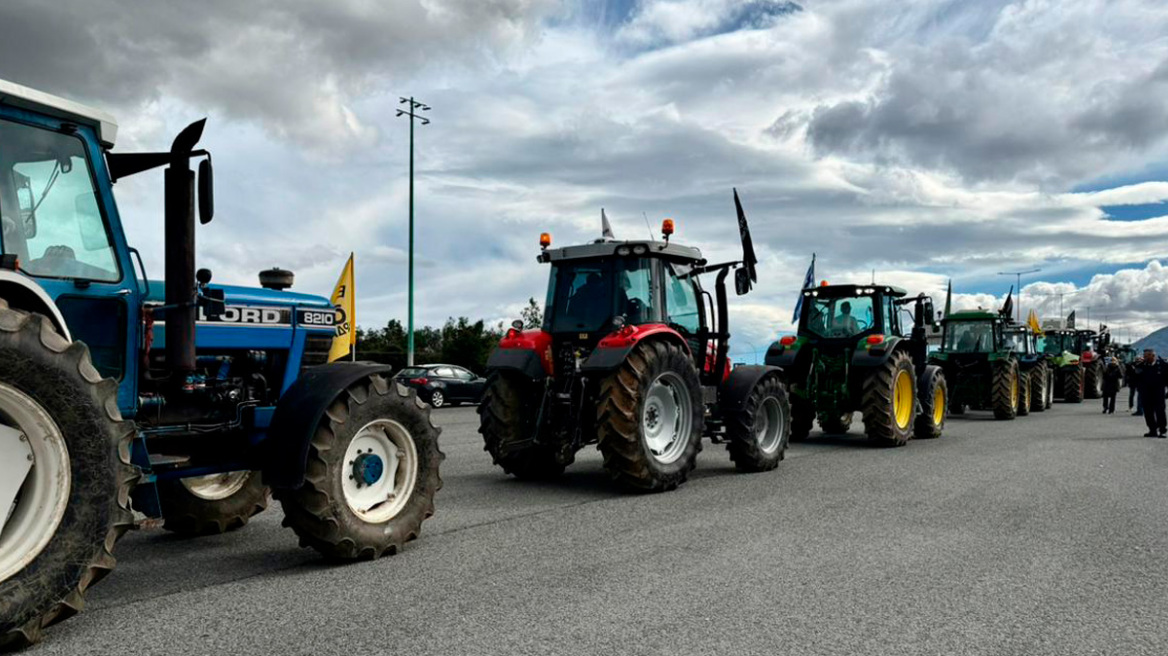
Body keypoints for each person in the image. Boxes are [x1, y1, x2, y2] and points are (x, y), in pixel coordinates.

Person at [1134, 348, 1168, 437]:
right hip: (1146, 392)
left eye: (1146, 356)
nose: (1144, 358)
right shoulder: (1142, 365)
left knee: (1160, 411)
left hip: (1158, 392)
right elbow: (1136, 377)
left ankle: (1162, 430)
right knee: (1148, 412)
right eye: (1144, 356)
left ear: (1153, 356)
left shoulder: (1163, 365)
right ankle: (1152, 430)